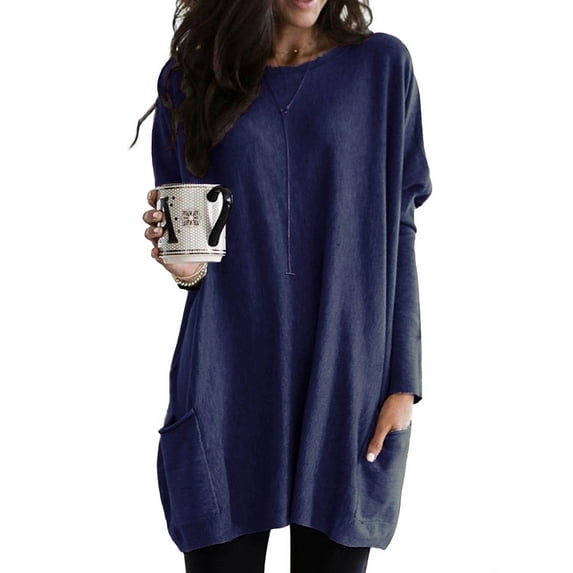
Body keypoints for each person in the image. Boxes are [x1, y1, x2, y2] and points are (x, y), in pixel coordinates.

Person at [139, 0, 432, 571]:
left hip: (347, 378)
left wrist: (404, 382)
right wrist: (184, 268)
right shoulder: (192, 79)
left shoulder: (382, 68)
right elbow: (192, 243)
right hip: (227, 376)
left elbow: (400, 229)